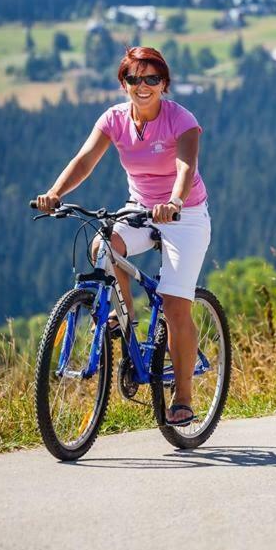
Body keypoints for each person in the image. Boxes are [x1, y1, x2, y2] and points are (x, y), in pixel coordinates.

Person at [34, 46, 210, 427]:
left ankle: (182, 397)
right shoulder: (114, 119)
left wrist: (175, 201)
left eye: (151, 79)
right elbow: (84, 160)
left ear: (164, 83)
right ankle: (123, 316)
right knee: (103, 246)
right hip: (140, 207)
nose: (142, 86)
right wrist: (56, 193)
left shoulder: (181, 119)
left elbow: (185, 167)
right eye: (133, 79)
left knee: (175, 303)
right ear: (123, 84)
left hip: (185, 213)